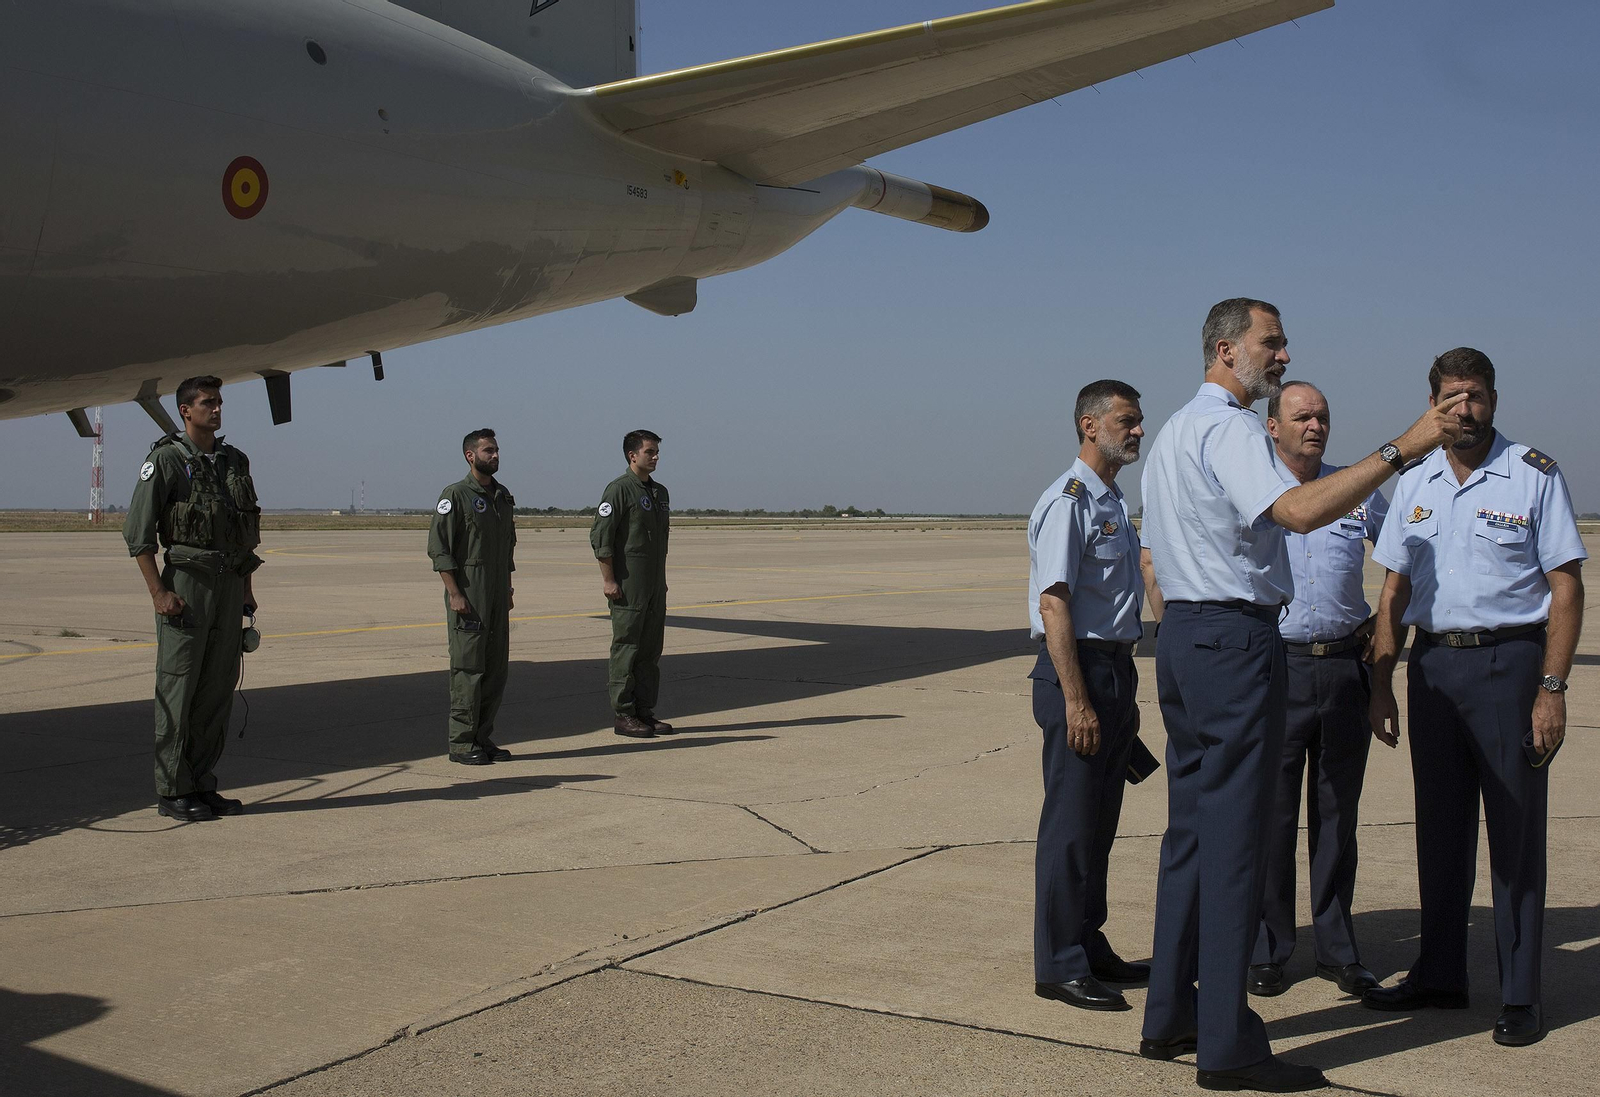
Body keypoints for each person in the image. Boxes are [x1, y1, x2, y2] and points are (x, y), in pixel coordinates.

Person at [1136, 298, 1464, 1092]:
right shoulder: (1229, 429)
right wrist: (1404, 444)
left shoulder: (1177, 430)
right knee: (1238, 840)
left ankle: (1170, 1014)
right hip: (1233, 641)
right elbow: (1302, 508)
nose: (1281, 356)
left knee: (1189, 835)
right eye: (1270, 344)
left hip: (1185, 639)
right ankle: (1229, 1047)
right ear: (1225, 350)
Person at [1364, 348, 1586, 1048]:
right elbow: (1394, 590)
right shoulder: (1415, 480)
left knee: (1514, 835)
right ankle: (1439, 972)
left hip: (1509, 663)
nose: (1465, 407)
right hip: (1433, 669)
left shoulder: (1533, 475)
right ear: (1434, 402)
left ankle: (1520, 992)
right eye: (1453, 396)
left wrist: (1551, 687)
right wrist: (1381, 681)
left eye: (1478, 395)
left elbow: (1567, 587)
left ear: (1494, 399)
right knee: (1440, 829)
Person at [1247, 381, 1388, 1000]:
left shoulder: (1356, 491)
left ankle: (1337, 949)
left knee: (1337, 817)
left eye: (1323, 416)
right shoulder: (1253, 488)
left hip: (1341, 671)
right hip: (1276, 668)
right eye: (1302, 416)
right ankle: (1270, 947)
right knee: (1272, 819)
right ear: (1271, 427)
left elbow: (1406, 565)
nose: (1315, 425)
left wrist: (1382, 643)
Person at [1027, 380, 1150, 1013]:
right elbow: (1055, 602)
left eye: (1138, 422)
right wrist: (1077, 700)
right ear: (1089, 425)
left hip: (1113, 672)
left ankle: (1088, 941)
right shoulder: (1069, 501)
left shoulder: (1112, 501)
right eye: (1126, 421)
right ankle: (1059, 964)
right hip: (1079, 674)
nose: (1136, 431)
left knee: (1100, 824)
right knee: (1071, 827)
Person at [123, 375, 262, 822]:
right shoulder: (164, 461)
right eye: (207, 403)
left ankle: (202, 782)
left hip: (227, 585)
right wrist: (159, 593)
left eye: (219, 402)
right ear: (186, 410)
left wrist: (246, 591)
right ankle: (172, 789)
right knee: (178, 689)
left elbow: (244, 535)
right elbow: (138, 536)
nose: (216, 409)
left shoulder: (234, 461)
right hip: (187, 584)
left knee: (217, 689)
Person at [428, 428, 518, 765]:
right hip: (470, 592)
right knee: (468, 669)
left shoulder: (503, 496)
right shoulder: (456, 495)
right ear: (471, 455)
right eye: (488, 451)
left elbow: (507, 547)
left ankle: (483, 736)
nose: (495, 456)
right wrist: (455, 594)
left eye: (496, 450)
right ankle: (462, 742)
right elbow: (440, 550)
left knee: (496, 669)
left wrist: (507, 587)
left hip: (496, 593)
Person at [592, 430, 672, 737]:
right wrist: (609, 579)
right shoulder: (619, 490)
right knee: (627, 647)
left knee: (650, 650)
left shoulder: (659, 492)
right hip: (628, 584)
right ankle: (624, 714)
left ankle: (644, 711)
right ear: (632, 455)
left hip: (654, 585)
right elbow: (601, 538)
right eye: (650, 452)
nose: (655, 457)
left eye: (656, 452)